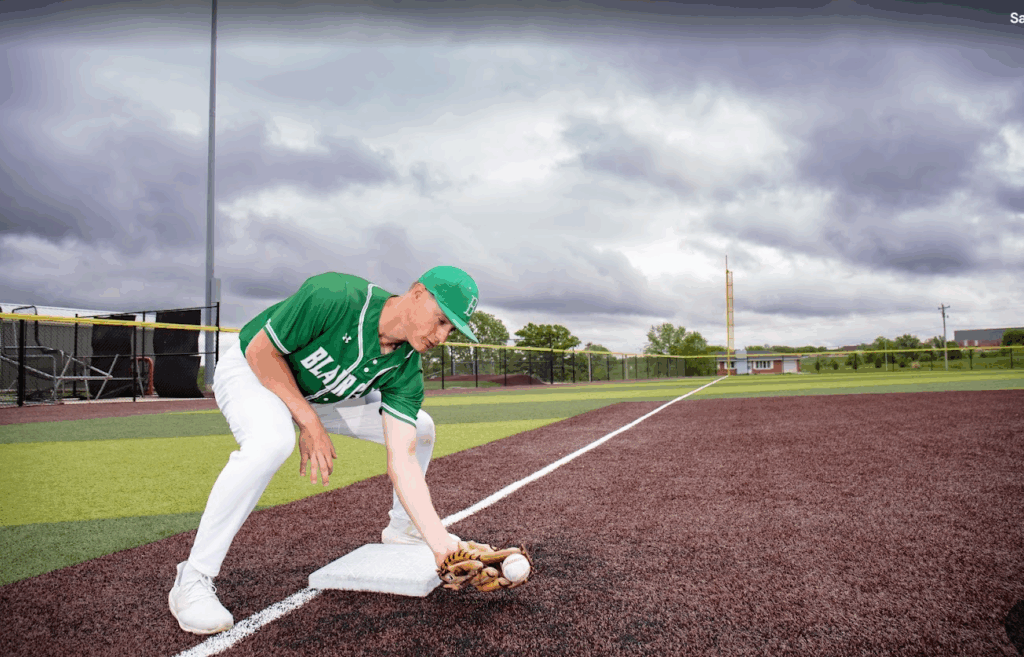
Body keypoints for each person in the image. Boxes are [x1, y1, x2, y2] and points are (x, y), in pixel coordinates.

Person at [169, 265, 479, 635]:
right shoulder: (335, 295)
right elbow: (262, 352)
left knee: (421, 428)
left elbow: (402, 459)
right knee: (272, 442)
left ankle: (404, 528)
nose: (442, 336)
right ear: (416, 293)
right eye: (442, 320)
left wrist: (440, 544)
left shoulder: (406, 368)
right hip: (252, 369)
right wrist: (309, 423)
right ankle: (193, 577)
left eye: (451, 329)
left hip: (318, 396)